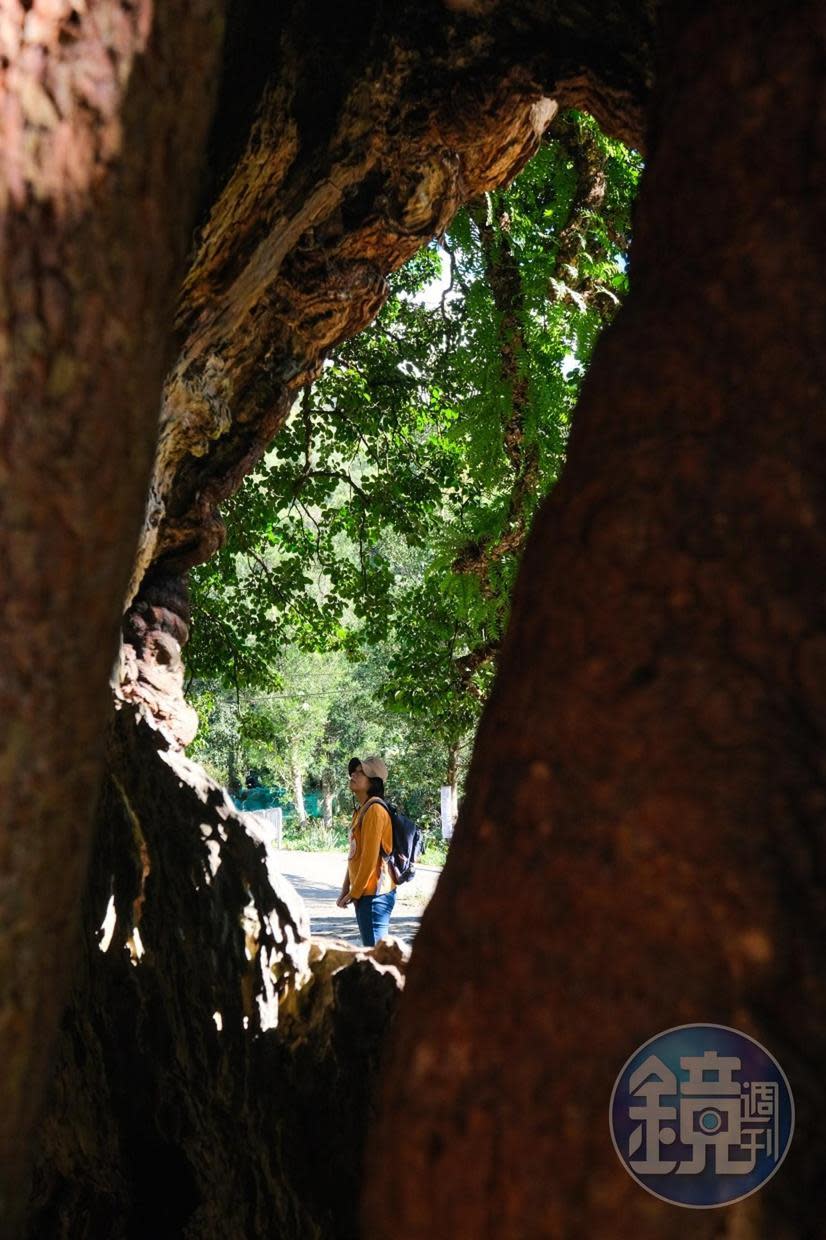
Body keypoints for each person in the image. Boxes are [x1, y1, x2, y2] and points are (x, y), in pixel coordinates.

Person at [336, 755, 396, 946]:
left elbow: (369, 860)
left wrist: (355, 893)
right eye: (353, 771)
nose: (353, 774)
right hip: (365, 894)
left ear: (373, 782)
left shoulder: (375, 811)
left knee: (377, 958)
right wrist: (347, 889)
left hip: (375, 895)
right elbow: (355, 856)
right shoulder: (362, 810)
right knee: (375, 954)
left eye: (360, 772)